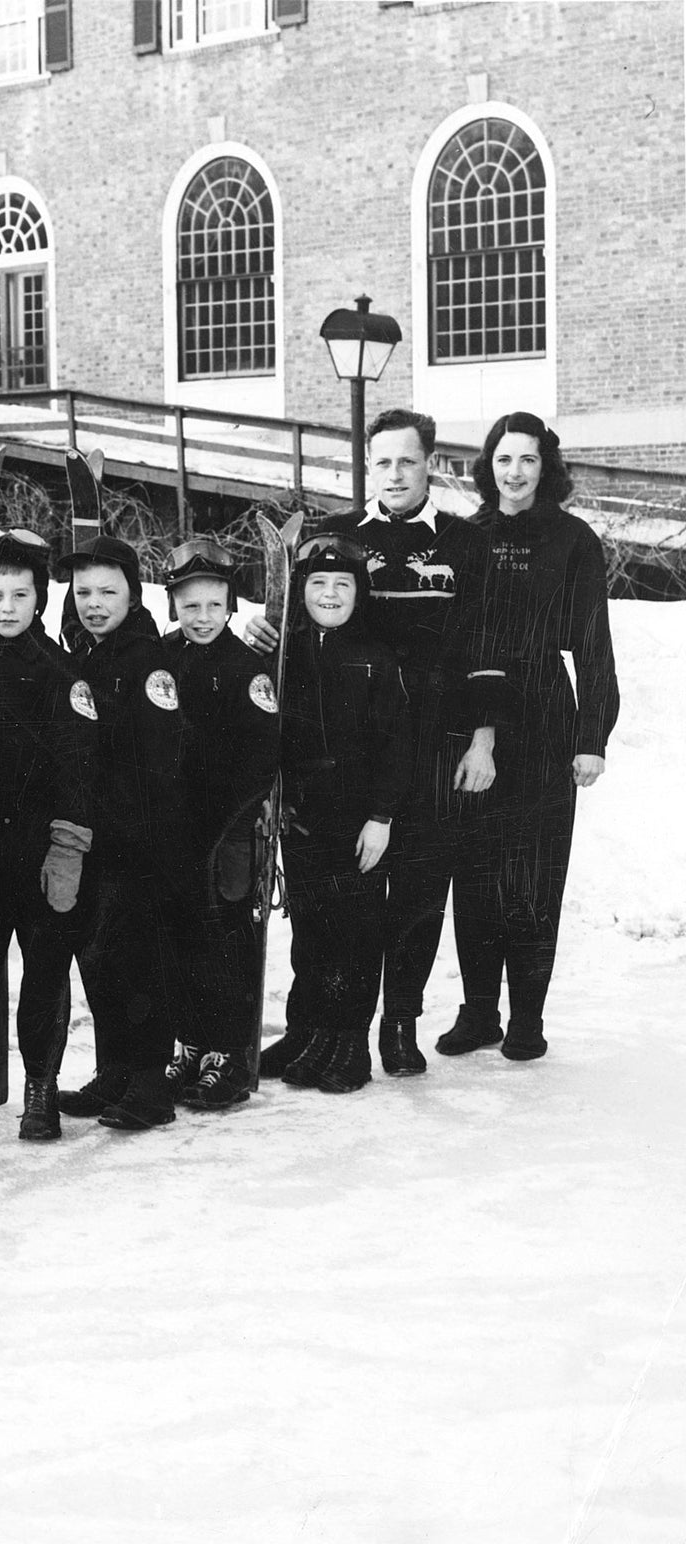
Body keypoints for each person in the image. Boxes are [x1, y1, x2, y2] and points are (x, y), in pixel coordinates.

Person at [250, 409, 497, 1077]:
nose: (394, 473)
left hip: (438, 744)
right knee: (339, 898)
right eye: (383, 461)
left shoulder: (461, 544)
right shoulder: (337, 538)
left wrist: (482, 739)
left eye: (407, 461)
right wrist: (263, 632)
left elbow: (481, 647)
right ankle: (316, 1025)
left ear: (429, 465)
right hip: (356, 751)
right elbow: (301, 621)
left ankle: (398, 1023)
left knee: (416, 894)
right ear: (370, 465)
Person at [442, 412, 619, 1061]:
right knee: (477, 870)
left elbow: (594, 644)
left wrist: (592, 734)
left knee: (534, 872)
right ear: (488, 467)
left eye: (527, 459)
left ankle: (527, 1018)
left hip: (544, 709)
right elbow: (451, 632)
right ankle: (480, 1012)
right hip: (476, 716)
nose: (514, 472)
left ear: (546, 466)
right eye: (503, 459)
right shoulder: (468, 535)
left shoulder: (572, 540)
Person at [0, 528, 96, 1141]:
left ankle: (39, 1088)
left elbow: (80, 770)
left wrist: (68, 849)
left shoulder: (63, 672)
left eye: (19, 594)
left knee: (46, 973)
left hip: (40, 853)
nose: (7, 607)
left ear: (39, 597)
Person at [54, 535, 187, 1131]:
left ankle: (150, 1083)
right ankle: (114, 1070)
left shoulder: (145, 661)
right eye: (83, 592)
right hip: (94, 839)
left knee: (138, 960)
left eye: (108, 591)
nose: (94, 603)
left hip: (139, 840)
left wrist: (142, 836)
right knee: (98, 955)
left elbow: (162, 761)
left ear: (134, 595)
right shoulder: (86, 654)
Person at [273, 534, 413, 1091]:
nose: (329, 594)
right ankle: (307, 1034)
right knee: (310, 932)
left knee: (354, 932)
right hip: (303, 816)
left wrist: (381, 817)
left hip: (358, 821)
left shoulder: (377, 658)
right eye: (317, 583)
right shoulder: (286, 652)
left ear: (360, 592)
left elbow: (398, 745)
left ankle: (348, 1042)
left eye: (342, 585)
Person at [159, 537, 280, 1109]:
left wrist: (235, 822)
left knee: (225, 937)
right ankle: (190, 1044)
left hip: (227, 830)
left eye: (213, 605)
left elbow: (262, 756)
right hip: (175, 827)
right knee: (181, 938)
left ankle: (228, 1055)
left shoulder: (245, 667)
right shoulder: (164, 658)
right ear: (173, 607)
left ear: (230, 605)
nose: (202, 618)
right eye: (190, 607)